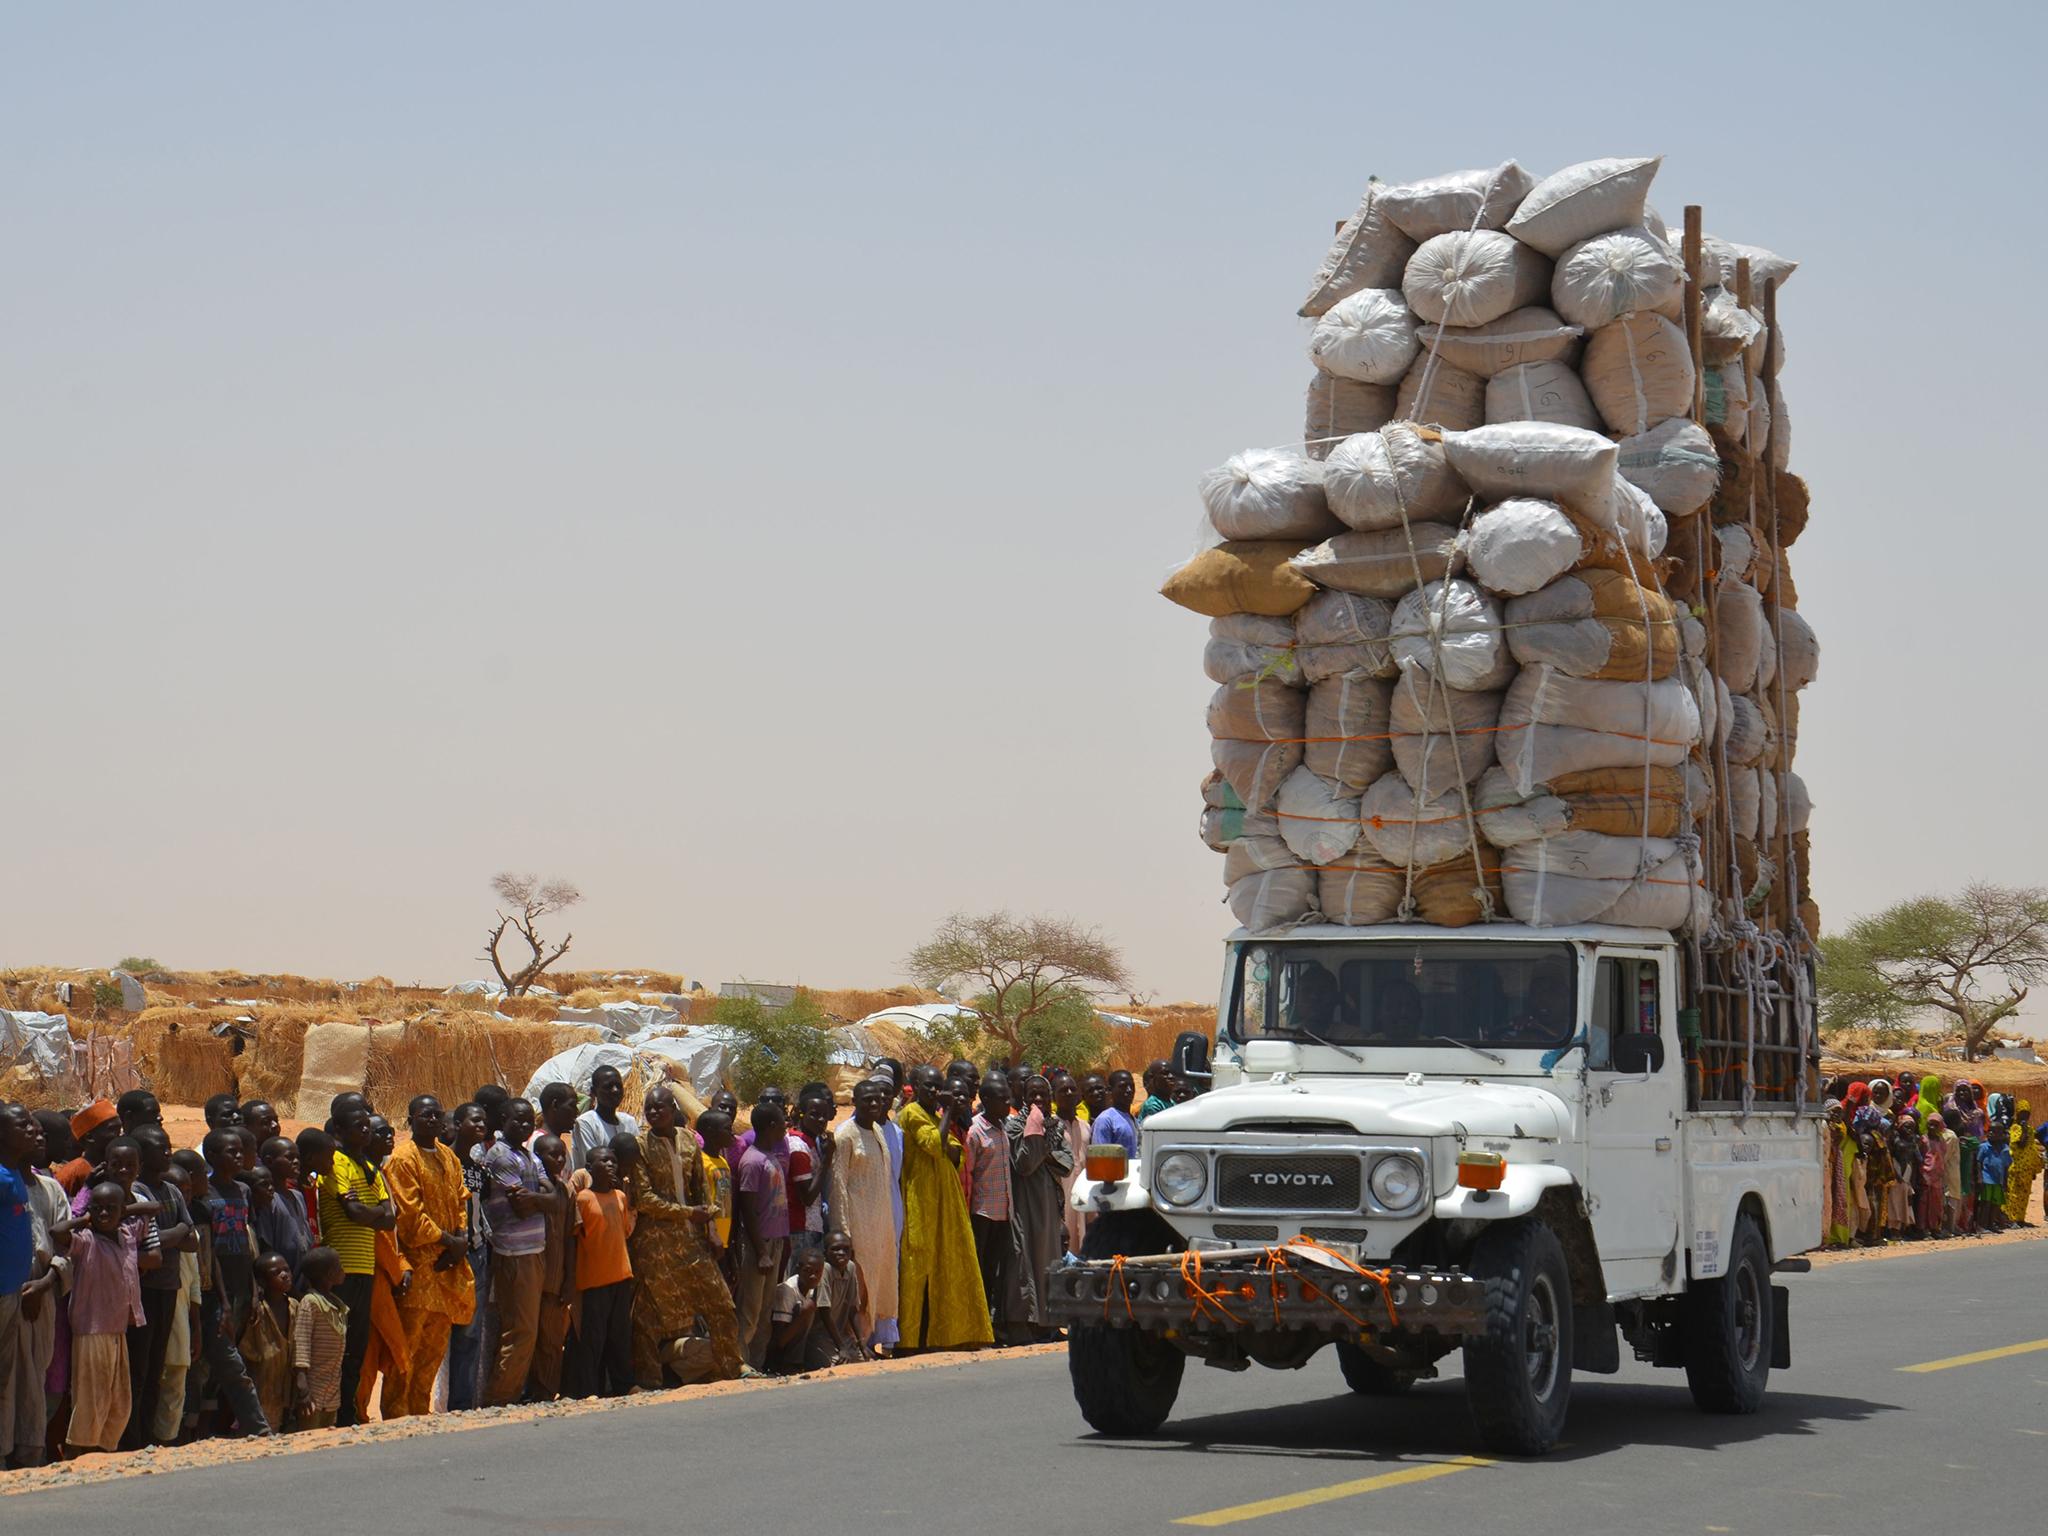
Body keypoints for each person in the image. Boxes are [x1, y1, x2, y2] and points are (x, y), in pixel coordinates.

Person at [623, 1087, 741, 1388]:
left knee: (721, 1303)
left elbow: (701, 1188)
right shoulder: (640, 1146)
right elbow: (644, 1198)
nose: (653, 1112)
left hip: (693, 1241)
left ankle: (731, 1367)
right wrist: (688, 1213)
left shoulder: (688, 1139)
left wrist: (712, 1229)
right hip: (655, 1244)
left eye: (659, 1106)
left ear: (672, 1107)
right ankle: (649, 1381)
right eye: (649, 1108)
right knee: (649, 1314)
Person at [383, 1095, 473, 1419]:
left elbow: (461, 1202)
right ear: (410, 1119)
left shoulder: (450, 1158)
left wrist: (461, 1240)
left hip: (447, 1270)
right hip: (420, 1268)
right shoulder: (403, 1159)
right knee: (406, 1350)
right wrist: (449, 1241)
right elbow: (409, 1215)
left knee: (433, 1352)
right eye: (426, 1115)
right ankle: (396, 1417)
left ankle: (420, 1417)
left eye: (438, 1114)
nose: (433, 1120)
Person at [55, 1182, 157, 1453]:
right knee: (91, 1396)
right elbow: (58, 1232)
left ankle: (104, 1448)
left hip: (117, 1328)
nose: (103, 1214)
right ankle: (81, 1449)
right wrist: (87, 1217)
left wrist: (123, 1210)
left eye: (110, 1208)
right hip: (91, 1329)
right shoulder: (86, 1241)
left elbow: (155, 1208)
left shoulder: (126, 1233)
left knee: (118, 1396)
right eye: (97, 1208)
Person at [898, 1066, 993, 1353]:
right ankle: (909, 1341)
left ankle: (947, 1334)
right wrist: (949, 1114)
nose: (935, 1092)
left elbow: (957, 1154)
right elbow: (935, 1145)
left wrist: (945, 1129)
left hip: (945, 1202)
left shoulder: (935, 1116)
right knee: (918, 1270)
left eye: (938, 1087)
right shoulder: (912, 1113)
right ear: (915, 1085)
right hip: (920, 1200)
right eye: (929, 1086)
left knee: (946, 1266)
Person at [191, 1128, 274, 1437]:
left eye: (241, 1151)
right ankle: (257, 1427)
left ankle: (213, 1429)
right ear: (211, 1157)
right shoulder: (204, 1195)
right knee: (224, 1363)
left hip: (241, 1285)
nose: (239, 1156)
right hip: (217, 1291)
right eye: (231, 1152)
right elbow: (211, 1253)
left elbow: (247, 1243)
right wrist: (225, 1302)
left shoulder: (243, 1190)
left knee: (223, 1364)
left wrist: (253, 1290)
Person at [317, 1099, 395, 1426]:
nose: (365, 1130)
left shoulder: (371, 1168)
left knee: (356, 1348)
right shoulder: (336, 1162)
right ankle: (330, 1414)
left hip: (364, 1267)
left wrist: (372, 1214)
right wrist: (373, 1213)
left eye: (368, 1125)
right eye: (357, 1126)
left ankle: (348, 1413)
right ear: (339, 1130)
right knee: (336, 1348)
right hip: (341, 1269)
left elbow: (389, 1220)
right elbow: (356, 1213)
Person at [1, 1104, 68, 1467]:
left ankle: (30, 1454)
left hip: (40, 1296)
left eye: (38, 1128)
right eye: (25, 1127)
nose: (35, 1134)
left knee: (33, 1380)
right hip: (8, 1292)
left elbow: (68, 1245)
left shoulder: (50, 1188)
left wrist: (45, 1283)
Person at [481, 1096, 557, 1407]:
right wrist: (542, 1199)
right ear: (503, 1120)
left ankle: (508, 1395)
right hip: (514, 1252)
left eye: (529, 1121)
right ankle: (500, 1400)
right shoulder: (501, 1156)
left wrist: (539, 1198)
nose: (525, 1126)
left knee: (527, 1329)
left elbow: (554, 1198)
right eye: (518, 1120)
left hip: (533, 1250)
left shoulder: (527, 1155)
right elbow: (524, 1206)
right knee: (520, 1331)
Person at [125, 1125, 196, 1449]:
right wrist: (177, 1232)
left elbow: (192, 1242)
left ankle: (149, 1436)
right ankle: (132, 1438)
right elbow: (146, 1245)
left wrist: (172, 1236)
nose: (167, 1152)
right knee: (138, 1368)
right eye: (160, 1148)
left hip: (169, 1286)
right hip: (143, 1289)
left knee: (156, 1366)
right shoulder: (136, 1191)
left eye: (168, 1147)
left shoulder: (173, 1191)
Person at [830, 1080, 899, 1355]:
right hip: (857, 1225)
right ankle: (853, 1346)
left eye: (877, 1100)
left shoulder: (879, 1133)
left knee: (879, 1284)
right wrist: (843, 1232)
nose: (874, 1104)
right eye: (867, 1100)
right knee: (860, 1289)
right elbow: (837, 1185)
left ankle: (867, 1342)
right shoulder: (845, 1135)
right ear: (855, 1102)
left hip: (881, 1225)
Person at [567, 1143, 634, 1398]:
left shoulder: (620, 1197)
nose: (609, 1165)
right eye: (602, 1161)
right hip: (594, 1279)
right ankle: (588, 1389)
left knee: (619, 1335)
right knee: (593, 1337)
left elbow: (626, 1230)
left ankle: (623, 1384)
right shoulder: (583, 1199)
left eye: (612, 1161)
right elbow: (574, 1239)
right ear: (588, 1167)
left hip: (621, 1275)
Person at [733, 1100, 794, 1370]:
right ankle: (740, 1364)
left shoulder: (772, 1157)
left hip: (776, 1241)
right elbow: (748, 1209)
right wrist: (760, 1252)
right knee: (750, 1310)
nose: (785, 1126)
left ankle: (757, 1364)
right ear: (771, 1126)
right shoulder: (752, 1161)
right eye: (782, 1121)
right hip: (760, 1245)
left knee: (766, 1309)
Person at [1009, 1074, 1070, 1339]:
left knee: (1050, 1261)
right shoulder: (1015, 1126)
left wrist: (1044, 1148)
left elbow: (1066, 1163)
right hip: (1024, 1204)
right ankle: (1029, 1324)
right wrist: (1038, 1137)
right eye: (1031, 1094)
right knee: (1026, 1261)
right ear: (1024, 1096)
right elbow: (1024, 1164)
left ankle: (1050, 1323)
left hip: (1049, 1205)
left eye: (1041, 1095)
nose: (1037, 1099)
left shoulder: (1055, 1126)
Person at [444, 1101, 493, 1411]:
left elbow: (482, 1202)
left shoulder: (478, 1169)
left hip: (476, 1252)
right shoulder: (443, 1162)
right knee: (441, 1331)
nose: (481, 1125)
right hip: (446, 1255)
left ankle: (462, 1403)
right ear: (458, 1122)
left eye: (484, 1121)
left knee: (471, 1331)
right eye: (474, 1120)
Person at [528, 1133, 577, 1401]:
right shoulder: (532, 1188)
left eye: (562, 1155)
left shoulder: (567, 1191)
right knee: (527, 1337)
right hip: (531, 1275)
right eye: (552, 1155)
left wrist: (570, 1279)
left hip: (555, 1280)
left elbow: (571, 1237)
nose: (558, 1159)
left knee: (551, 1340)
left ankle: (545, 1393)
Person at [291, 1248, 350, 1430]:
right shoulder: (310, 1303)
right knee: (309, 1438)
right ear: (329, 1274)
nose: (343, 1270)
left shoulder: (336, 1304)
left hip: (332, 1393)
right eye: (339, 1266)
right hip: (312, 1393)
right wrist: (303, 1389)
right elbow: (301, 1344)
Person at [241, 1252, 294, 1434]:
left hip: (289, 1390)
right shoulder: (258, 1313)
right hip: (264, 1390)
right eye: (276, 1272)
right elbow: (247, 1353)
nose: (284, 1275)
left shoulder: (295, 1307)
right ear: (262, 1281)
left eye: (286, 1270)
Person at [767, 1245, 830, 1374]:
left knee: (823, 1364)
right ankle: (788, 1363)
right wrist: (803, 1315)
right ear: (798, 1269)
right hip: (779, 1350)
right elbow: (779, 1341)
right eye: (808, 1271)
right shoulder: (787, 1292)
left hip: (802, 1342)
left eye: (817, 1272)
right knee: (804, 1309)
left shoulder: (814, 1287)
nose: (813, 1276)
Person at [818, 1230, 871, 1366]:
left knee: (864, 1362)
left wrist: (861, 1342)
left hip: (840, 1334)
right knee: (837, 1363)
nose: (841, 1253)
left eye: (845, 1249)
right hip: (820, 1334)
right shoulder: (825, 1270)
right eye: (835, 1249)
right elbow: (825, 1313)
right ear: (825, 1253)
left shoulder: (851, 1267)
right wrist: (841, 1347)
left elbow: (853, 1308)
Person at [1050, 1072, 1090, 1255]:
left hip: (1084, 1197)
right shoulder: (1050, 1128)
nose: (1068, 1093)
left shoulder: (1085, 1126)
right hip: (1061, 1199)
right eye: (1062, 1090)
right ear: (1053, 1096)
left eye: (1072, 1089)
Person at [571, 1066, 637, 1173]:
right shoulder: (586, 1123)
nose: (615, 1090)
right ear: (594, 1092)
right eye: (608, 1087)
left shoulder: (629, 1122)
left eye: (619, 1086)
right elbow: (595, 1167)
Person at [56, 1100, 121, 1195]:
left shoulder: (119, 1167)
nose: (119, 1135)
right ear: (89, 1137)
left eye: (119, 1129)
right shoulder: (71, 1173)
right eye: (112, 1129)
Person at [2004, 1104, 2042, 1225]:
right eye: (2022, 1113)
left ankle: (2021, 1219)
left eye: (2027, 1113)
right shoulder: (2015, 1128)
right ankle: (2012, 1219)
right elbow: (2021, 1144)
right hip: (2016, 1166)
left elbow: (2031, 1149)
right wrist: (2024, 1130)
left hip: (2027, 1167)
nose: (2025, 1116)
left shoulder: (2030, 1129)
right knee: (2014, 1193)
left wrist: (2035, 1167)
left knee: (2024, 1194)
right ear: (2018, 1114)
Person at [1090, 1071, 1140, 1159]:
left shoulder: (1133, 1119)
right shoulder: (1105, 1120)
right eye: (1123, 1087)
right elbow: (1100, 1158)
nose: (1129, 1090)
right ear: (1110, 1090)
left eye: (1131, 1086)